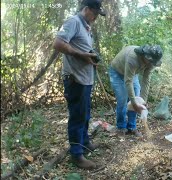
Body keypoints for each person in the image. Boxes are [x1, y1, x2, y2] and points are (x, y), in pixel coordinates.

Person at [53, 0, 106, 170]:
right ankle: (76, 154)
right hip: (75, 79)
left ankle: (84, 143)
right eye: (95, 13)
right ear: (87, 9)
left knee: (85, 114)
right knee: (77, 116)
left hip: (85, 79)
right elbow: (58, 44)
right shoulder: (73, 22)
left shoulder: (86, 27)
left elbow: (82, 49)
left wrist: (90, 57)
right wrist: (81, 54)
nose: (96, 17)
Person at [109, 45, 163, 137]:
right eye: (150, 62)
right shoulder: (133, 58)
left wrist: (143, 101)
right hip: (117, 72)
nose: (151, 64)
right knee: (123, 99)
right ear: (145, 56)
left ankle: (132, 127)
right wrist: (134, 103)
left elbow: (146, 80)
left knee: (137, 99)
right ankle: (121, 127)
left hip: (132, 74)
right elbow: (128, 81)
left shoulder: (152, 62)